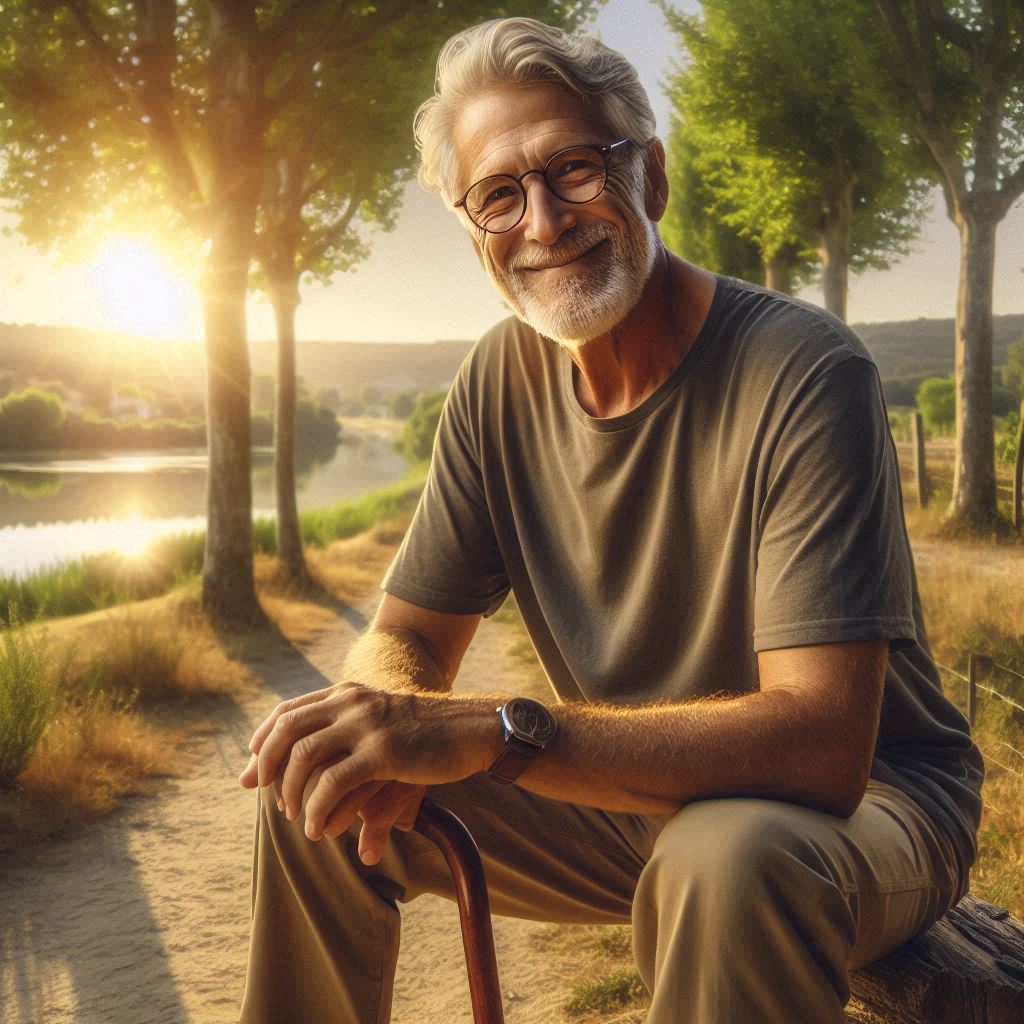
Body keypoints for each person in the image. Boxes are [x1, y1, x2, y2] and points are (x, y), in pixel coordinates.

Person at [238, 17, 983, 1024]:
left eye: (575, 171)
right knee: (315, 782)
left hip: (858, 811)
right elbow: (409, 634)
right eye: (499, 193)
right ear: (473, 235)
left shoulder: (805, 371)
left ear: (652, 179)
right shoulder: (499, 380)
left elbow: (820, 743)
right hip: (632, 800)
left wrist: (489, 730)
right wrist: (381, 719)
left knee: (727, 859)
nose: (542, 221)